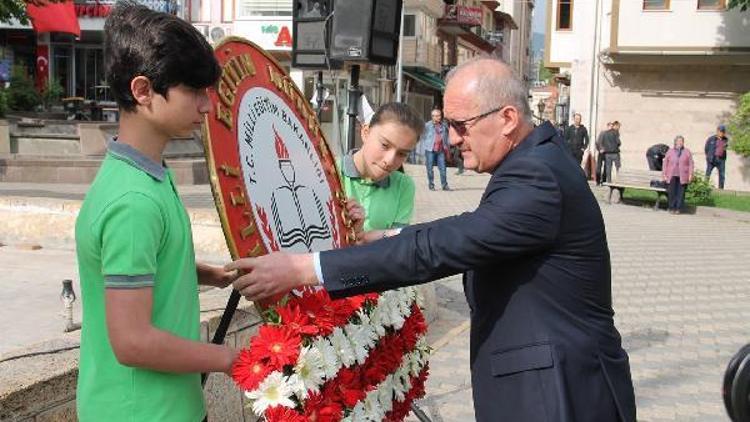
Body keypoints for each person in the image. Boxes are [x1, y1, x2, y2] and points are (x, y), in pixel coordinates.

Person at [227, 57, 636, 422]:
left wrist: (305, 267)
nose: (453, 139)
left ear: (508, 118)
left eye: (461, 126)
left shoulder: (537, 176)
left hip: (557, 393)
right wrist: (380, 237)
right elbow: (472, 227)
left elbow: (445, 247)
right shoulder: (536, 160)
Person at [74, 4, 238, 421]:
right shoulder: (134, 202)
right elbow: (133, 342)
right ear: (144, 90)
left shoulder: (142, 175)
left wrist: (202, 272)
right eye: (195, 91)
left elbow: (133, 261)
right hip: (142, 411)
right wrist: (230, 358)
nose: (206, 106)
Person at [338, 102, 422, 243]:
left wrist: (362, 237)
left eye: (402, 154)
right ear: (365, 132)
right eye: (384, 145)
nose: (390, 160)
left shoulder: (403, 185)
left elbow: (396, 246)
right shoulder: (327, 171)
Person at [420, 108, 451, 191]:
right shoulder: (427, 125)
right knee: (430, 168)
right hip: (430, 150)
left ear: (440, 116)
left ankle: (444, 185)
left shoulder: (444, 126)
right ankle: (431, 185)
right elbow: (422, 137)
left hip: (441, 150)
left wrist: (448, 149)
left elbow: (447, 138)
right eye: (433, 116)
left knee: (443, 168)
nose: (435, 118)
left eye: (437, 116)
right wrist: (425, 147)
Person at [662, 135, 694, 214]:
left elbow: (691, 164)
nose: (680, 143)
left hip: (683, 175)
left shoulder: (687, 152)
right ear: (675, 142)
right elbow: (665, 163)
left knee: (681, 193)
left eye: (681, 141)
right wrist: (664, 174)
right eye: (678, 141)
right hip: (671, 175)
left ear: (683, 143)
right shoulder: (670, 151)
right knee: (671, 192)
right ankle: (671, 207)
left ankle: (678, 208)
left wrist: (690, 175)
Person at [704, 124, 729, 189]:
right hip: (712, 159)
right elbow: (706, 148)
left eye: (723, 131)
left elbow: (725, 148)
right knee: (708, 173)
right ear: (717, 131)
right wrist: (708, 157)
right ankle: (704, 187)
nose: (722, 133)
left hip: (721, 159)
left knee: (722, 175)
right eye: (720, 131)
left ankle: (721, 189)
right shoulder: (711, 139)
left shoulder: (725, 139)